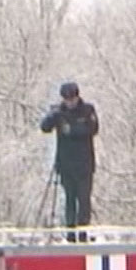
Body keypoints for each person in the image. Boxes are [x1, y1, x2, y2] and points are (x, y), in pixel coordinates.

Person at [39, 81, 98, 228]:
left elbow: (92, 129)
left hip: (84, 165)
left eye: (72, 99)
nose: (70, 102)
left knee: (84, 200)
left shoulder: (87, 110)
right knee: (69, 200)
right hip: (65, 164)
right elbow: (45, 128)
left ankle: (83, 233)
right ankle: (70, 233)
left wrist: (71, 130)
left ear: (77, 97)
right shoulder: (60, 112)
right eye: (67, 99)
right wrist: (52, 115)